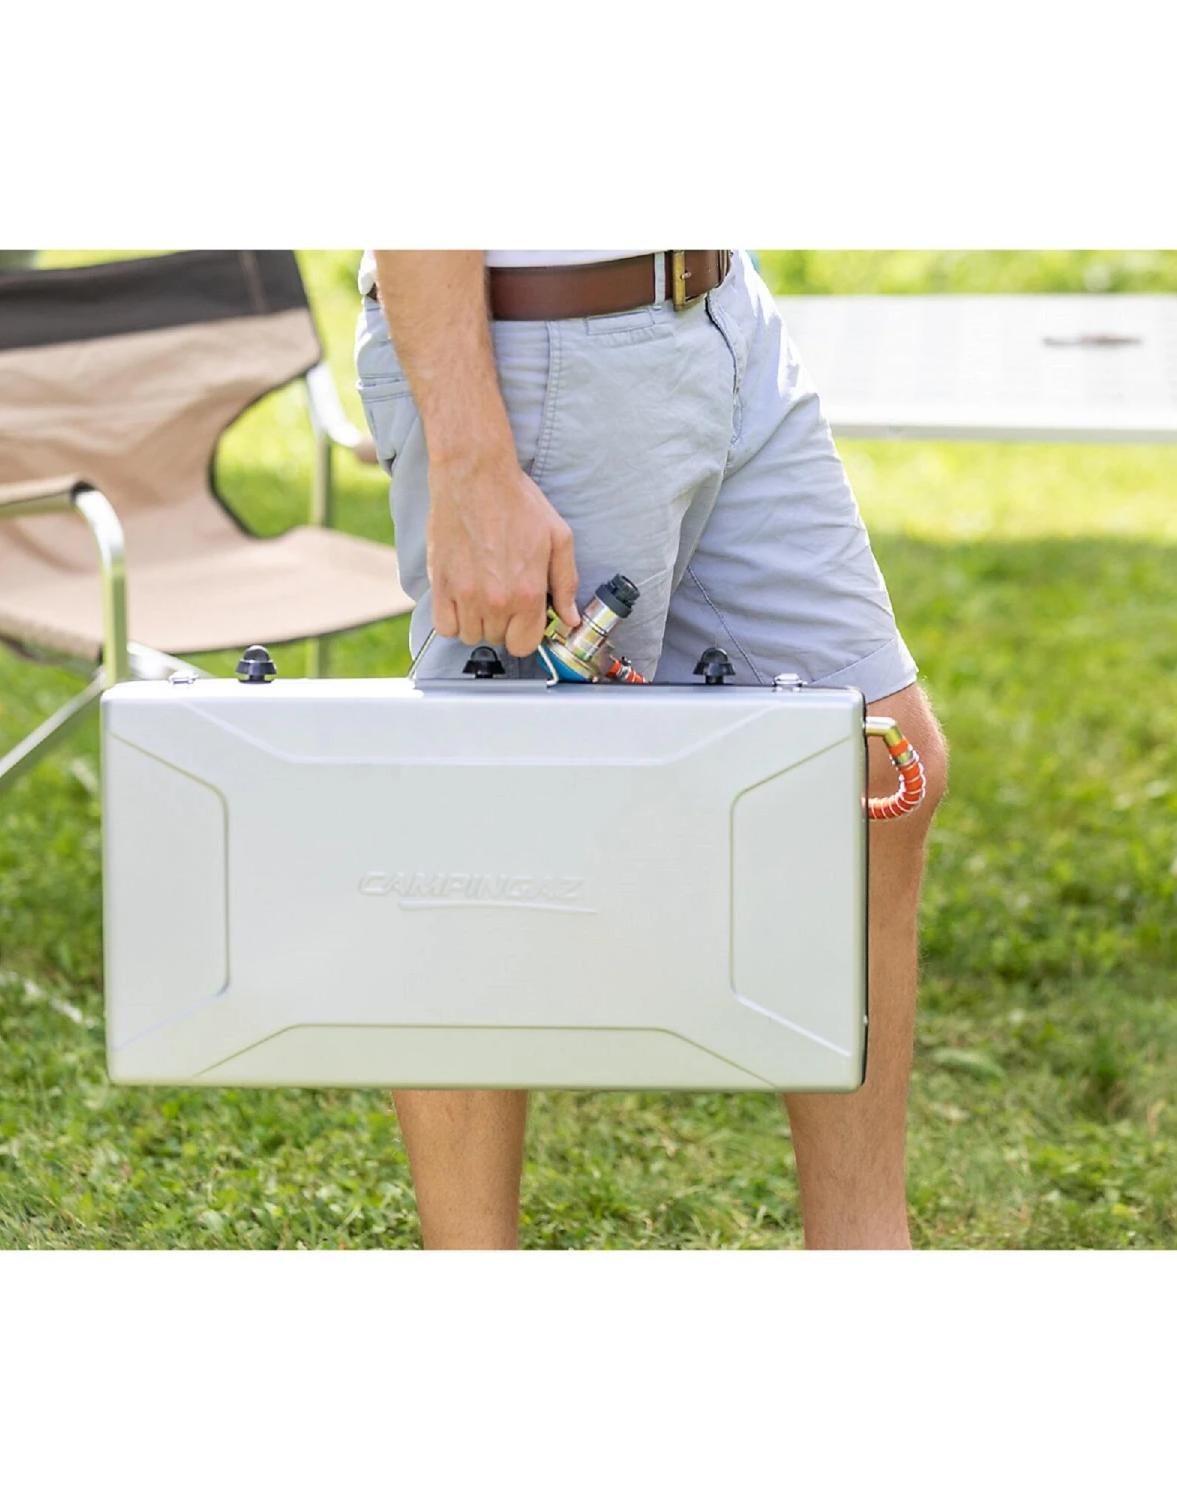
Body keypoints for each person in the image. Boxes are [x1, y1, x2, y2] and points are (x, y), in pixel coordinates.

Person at [355, 250, 948, 1249]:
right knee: (488, 847)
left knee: (871, 767)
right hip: (546, 339)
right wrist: (471, 463)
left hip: (719, 316)